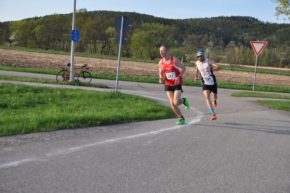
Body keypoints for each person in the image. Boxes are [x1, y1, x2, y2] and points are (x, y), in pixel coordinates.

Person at [158, 45, 190, 125]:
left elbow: (184, 68)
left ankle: (184, 100)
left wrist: (179, 77)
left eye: (163, 51)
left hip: (177, 83)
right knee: (172, 103)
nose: (161, 53)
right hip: (168, 83)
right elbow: (160, 72)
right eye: (160, 51)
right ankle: (181, 118)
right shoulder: (160, 62)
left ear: (167, 51)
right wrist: (161, 78)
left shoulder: (174, 60)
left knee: (176, 102)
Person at [194, 50, 221, 120]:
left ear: (204, 56)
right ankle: (213, 114)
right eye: (198, 56)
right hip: (205, 82)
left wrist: (213, 69)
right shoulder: (197, 63)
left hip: (212, 81)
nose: (200, 57)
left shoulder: (208, 61)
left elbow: (218, 67)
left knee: (215, 96)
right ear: (197, 57)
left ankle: (214, 100)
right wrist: (196, 75)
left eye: (201, 56)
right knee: (207, 97)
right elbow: (197, 69)